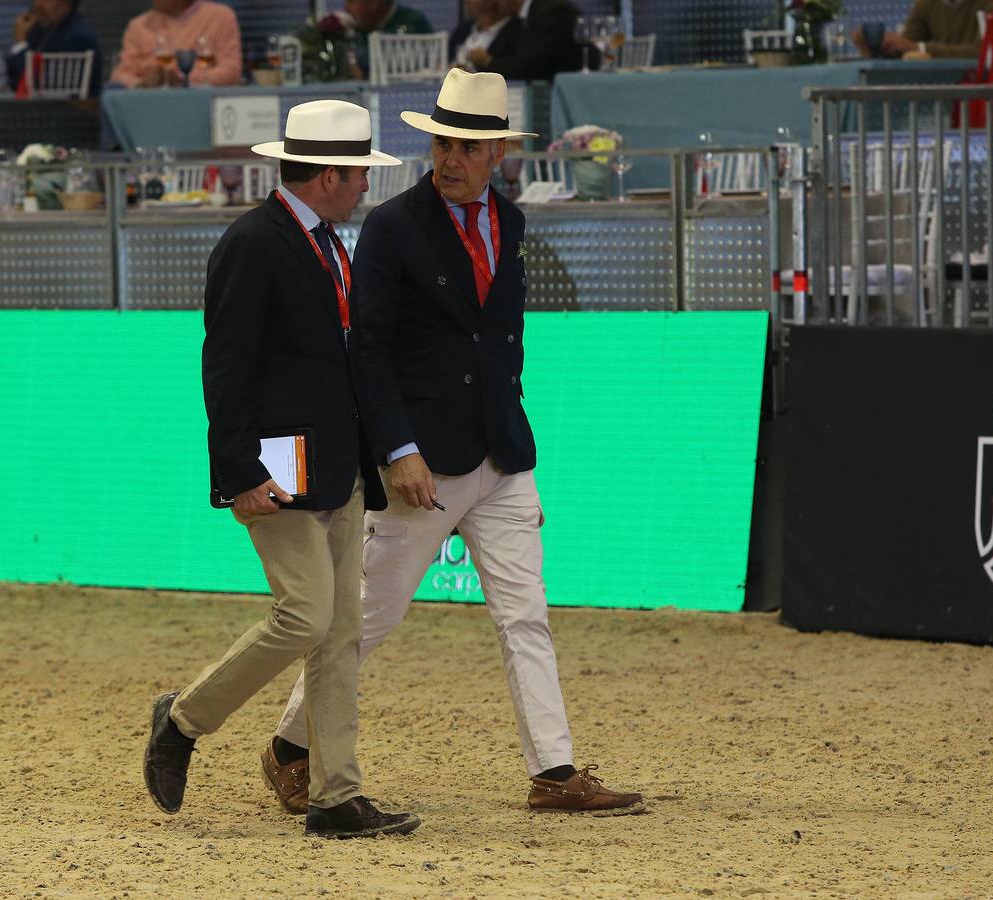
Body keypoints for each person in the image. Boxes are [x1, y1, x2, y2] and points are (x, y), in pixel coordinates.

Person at [260, 69, 646, 817]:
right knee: (369, 616)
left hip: (502, 451)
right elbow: (366, 347)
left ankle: (554, 770)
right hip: (422, 460)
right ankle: (289, 748)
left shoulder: (512, 220)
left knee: (524, 613)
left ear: (498, 150)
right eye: (442, 141)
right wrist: (397, 448)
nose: (449, 157)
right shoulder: (392, 225)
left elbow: (499, 335)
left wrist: (508, 415)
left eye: (466, 145)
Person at [142, 98, 421, 840]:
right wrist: (236, 471)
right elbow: (225, 365)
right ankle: (185, 719)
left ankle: (336, 797)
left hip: (337, 464)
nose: (366, 183)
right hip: (276, 466)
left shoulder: (331, 241)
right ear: (329, 173)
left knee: (339, 633)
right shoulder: (253, 243)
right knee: (305, 614)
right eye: (359, 171)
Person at [111, 0, 242, 88]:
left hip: (200, 105)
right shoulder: (139, 26)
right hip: (150, 105)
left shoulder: (220, 17)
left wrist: (183, 79)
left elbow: (231, 72)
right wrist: (141, 84)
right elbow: (119, 75)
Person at [854, 0, 993, 59]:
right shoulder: (926, 4)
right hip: (951, 83)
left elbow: (983, 52)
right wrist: (881, 46)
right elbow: (907, 44)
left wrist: (920, 48)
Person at [6, 0, 102, 97]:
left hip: (67, 110)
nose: (38, 5)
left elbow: (35, 85)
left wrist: (20, 43)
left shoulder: (77, 38)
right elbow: (15, 79)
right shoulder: (45, 31)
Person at [466, 0, 582, 80]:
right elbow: (507, 56)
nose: (495, 2)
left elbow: (531, 66)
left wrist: (487, 61)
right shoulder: (519, 21)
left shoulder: (553, 12)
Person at [344, 0, 433, 79]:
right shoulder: (349, 30)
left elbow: (436, 63)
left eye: (352, 1)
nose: (346, 8)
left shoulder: (413, 23)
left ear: (374, 2)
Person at [450, 0, 518, 71]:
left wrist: (486, 61)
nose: (466, 1)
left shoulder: (516, 31)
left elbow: (519, 67)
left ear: (490, 2)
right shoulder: (462, 29)